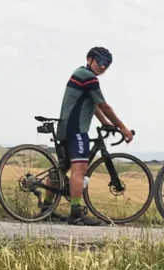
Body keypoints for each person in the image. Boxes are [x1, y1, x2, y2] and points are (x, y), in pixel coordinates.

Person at [53, 47, 134, 226]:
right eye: (100, 62)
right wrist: (123, 128)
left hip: (66, 127)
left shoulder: (80, 73)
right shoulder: (88, 77)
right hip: (76, 129)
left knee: (62, 168)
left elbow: (93, 104)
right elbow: (104, 105)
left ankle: (46, 206)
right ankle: (76, 213)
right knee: (79, 169)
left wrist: (105, 122)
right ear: (89, 59)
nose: (103, 67)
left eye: (107, 65)